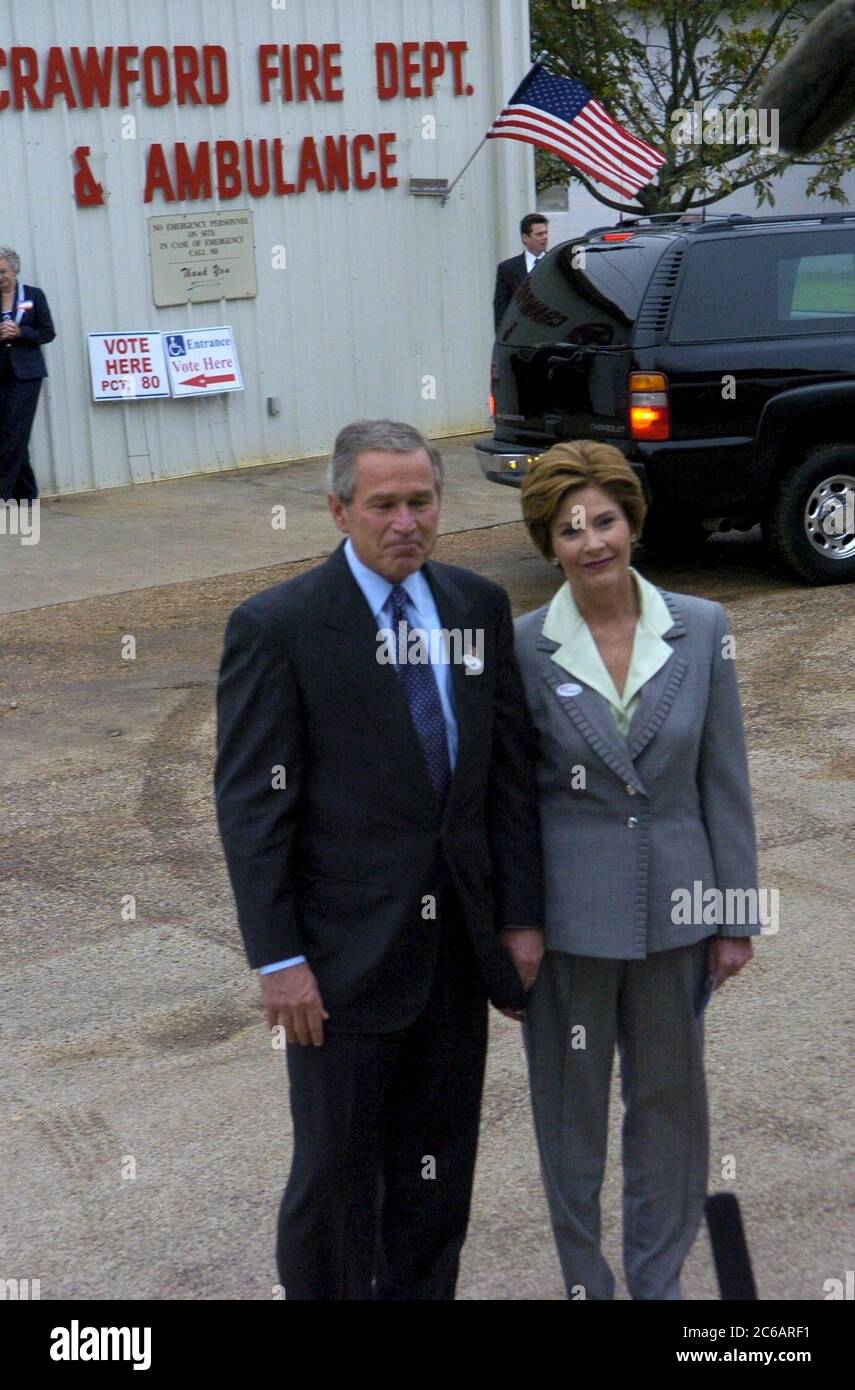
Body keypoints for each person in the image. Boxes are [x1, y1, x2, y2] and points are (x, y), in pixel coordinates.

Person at [214, 418, 544, 1300]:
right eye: (383, 504)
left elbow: (506, 780)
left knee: (435, 1176)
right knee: (332, 1181)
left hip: (452, 959)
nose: (405, 521)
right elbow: (254, 808)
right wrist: (278, 959)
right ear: (338, 510)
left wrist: (516, 918)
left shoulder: (476, 606)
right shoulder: (277, 627)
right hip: (339, 967)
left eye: (420, 501)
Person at [513, 441, 759, 1301]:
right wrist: (515, 921)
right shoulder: (521, 648)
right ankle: (589, 1285)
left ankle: (659, 1288)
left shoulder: (702, 627)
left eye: (604, 520)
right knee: (568, 1124)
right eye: (568, 528)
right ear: (548, 543)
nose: (591, 543)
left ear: (632, 523)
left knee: (668, 1117)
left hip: (676, 919)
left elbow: (722, 778)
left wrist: (735, 914)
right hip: (568, 930)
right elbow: (508, 801)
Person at [0, 247, 55, 501]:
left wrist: (21, 333)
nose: (0, 277)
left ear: (14, 270)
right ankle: (27, 493)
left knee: (13, 432)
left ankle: (3, 493)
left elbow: (47, 333)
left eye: (3, 272)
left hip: (26, 374)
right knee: (11, 433)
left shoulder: (33, 295)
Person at [493, 214, 549, 330]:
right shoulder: (508, 269)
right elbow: (501, 310)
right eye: (539, 234)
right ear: (525, 238)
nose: (545, 237)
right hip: (522, 338)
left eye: (546, 233)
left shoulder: (556, 265)